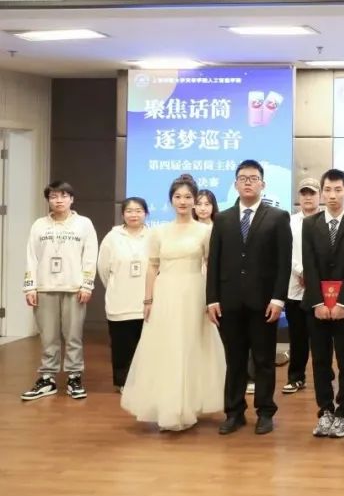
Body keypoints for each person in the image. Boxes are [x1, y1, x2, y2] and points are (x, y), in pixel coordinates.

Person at [121, 176, 225, 430]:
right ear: (171, 200)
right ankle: (169, 407)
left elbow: (211, 266)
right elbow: (152, 266)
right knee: (167, 348)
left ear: (195, 200)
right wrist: (148, 299)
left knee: (191, 346)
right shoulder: (159, 232)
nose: (183, 201)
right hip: (165, 293)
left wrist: (212, 299)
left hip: (194, 293)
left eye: (188, 197)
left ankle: (189, 405)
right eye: (178, 197)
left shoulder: (205, 231)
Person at [206, 160, 292, 436]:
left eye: (253, 178)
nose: (248, 182)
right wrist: (212, 299)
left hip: (264, 303)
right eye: (243, 178)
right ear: (235, 184)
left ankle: (265, 412)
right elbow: (214, 261)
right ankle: (234, 412)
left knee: (264, 360)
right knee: (234, 360)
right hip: (229, 302)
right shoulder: (223, 219)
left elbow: (284, 263)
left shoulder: (277, 217)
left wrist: (278, 299)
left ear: (262, 184)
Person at [302, 169, 344, 439]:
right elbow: (309, 265)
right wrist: (317, 302)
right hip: (316, 305)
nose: (332, 195)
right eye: (327, 190)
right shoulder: (310, 224)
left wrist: (342, 303)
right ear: (321, 192)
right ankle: (325, 410)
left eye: (338, 190)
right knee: (320, 360)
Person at [20, 181, 98, 402]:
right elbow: (31, 256)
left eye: (64, 196)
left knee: (73, 336)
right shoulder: (39, 225)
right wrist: (30, 286)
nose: (59, 200)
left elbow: (90, 255)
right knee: (48, 336)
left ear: (72, 199)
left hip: (74, 288)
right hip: (44, 287)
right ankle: (47, 378)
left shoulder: (83, 224)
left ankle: (74, 377)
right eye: (54, 196)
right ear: (48, 200)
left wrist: (87, 284)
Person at [97, 197, 151, 391]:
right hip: (120, 301)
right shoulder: (112, 237)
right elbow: (103, 269)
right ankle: (123, 382)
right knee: (121, 345)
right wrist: (116, 286)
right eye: (129, 211)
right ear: (122, 215)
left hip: (146, 302)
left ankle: (145, 381)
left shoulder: (154, 236)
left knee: (146, 346)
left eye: (138, 210)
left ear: (146, 213)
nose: (134, 214)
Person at [283, 177, 321, 394]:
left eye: (312, 193)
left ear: (319, 196)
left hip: (322, 288)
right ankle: (296, 377)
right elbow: (285, 251)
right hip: (294, 286)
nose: (308, 197)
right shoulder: (289, 222)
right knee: (297, 337)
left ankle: (323, 380)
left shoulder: (326, 220)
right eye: (304, 193)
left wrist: (314, 275)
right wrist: (301, 271)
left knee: (320, 338)